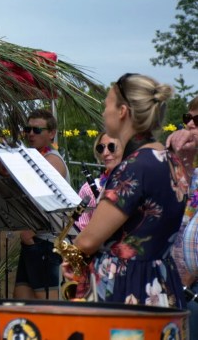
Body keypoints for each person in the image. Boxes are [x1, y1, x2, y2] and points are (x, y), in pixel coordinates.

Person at [63, 73, 186, 308]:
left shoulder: (133, 167)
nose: (103, 112)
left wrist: (72, 256)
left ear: (122, 111)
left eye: (106, 105)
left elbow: (89, 240)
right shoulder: (172, 161)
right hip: (162, 283)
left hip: (127, 288)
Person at [13, 108, 69, 300]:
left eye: (37, 130)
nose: (30, 134)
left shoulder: (52, 160)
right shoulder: (36, 158)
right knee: (22, 303)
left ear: (51, 133)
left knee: (48, 307)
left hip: (45, 240)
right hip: (33, 240)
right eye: (27, 129)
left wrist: (30, 231)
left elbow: (44, 202)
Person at [168, 95, 198, 330]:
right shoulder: (194, 174)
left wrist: (193, 274)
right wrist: (182, 161)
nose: (189, 125)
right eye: (187, 118)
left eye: (197, 121)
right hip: (182, 284)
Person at [75, 131, 124, 231]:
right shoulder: (89, 189)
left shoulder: (137, 184)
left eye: (112, 147)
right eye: (101, 148)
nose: (105, 153)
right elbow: (79, 228)